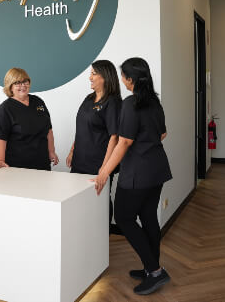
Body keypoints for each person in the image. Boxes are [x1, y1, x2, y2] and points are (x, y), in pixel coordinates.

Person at [93, 57, 172, 296]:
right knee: (148, 216)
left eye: (124, 76)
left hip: (138, 172)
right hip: (157, 169)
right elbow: (163, 134)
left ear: (130, 79)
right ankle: (151, 268)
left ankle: (155, 270)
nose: (123, 81)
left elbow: (124, 141)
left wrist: (104, 171)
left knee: (124, 218)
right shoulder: (154, 103)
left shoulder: (131, 103)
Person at [66, 60, 121, 224]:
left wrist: (104, 168)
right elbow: (81, 128)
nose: (90, 77)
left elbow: (115, 137)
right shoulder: (88, 98)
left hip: (97, 164)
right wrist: (71, 151)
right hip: (79, 161)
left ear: (105, 77)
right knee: (76, 200)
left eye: (93, 73)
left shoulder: (113, 102)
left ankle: (103, 239)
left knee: (99, 202)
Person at [0, 67, 59, 170]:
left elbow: (48, 130)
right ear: (10, 86)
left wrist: (51, 152)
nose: (23, 86)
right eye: (17, 82)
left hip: (42, 163)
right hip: (17, 166)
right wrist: (0, 160)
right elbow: (1, 137)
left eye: (25, 81)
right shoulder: (5, 109)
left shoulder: (38, 101)